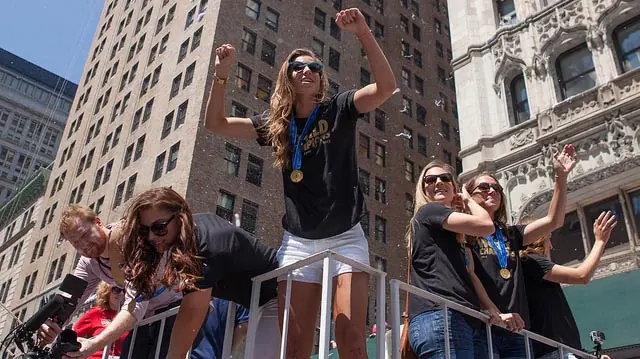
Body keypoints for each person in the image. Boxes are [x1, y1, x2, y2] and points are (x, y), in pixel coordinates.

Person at [205, 7, 396, 359]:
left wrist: (364, 33)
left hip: (346, 237)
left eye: (314, 67)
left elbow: (387, 87)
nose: (307, 71)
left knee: (352, 338)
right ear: (288, 77)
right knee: (294, 348)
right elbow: (216, 124)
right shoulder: (274, 125)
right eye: (298, 67)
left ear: (322, 78)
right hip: (297, 244)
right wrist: (221, 75)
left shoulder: (339, 108)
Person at [116, 187, 280, 359]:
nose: (151, 236)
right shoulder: (187, 236)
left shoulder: (204, 244)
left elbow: (193, 308)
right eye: (145, 230)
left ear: (180, 216)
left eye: (159, 227)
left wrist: (174, 356)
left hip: (278, 292)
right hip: (257, 300)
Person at [464, 144, 578, 359]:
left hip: (517, 330)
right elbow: (467, 276)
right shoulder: (464, 232)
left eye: (496, 188)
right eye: (484, 187)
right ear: (469, 195)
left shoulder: (511, 234)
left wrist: (561, 177)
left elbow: (554, 220)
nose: (491, 191)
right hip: (483, 326)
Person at [407, 160, 524, 359]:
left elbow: (471, 276)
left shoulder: (452, 233)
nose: (438, 182)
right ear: (423, 188)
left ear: (452, 186)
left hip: (462, 318)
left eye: (445, 178)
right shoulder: (429, 211)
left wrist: (493, 311)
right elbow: (487, 226)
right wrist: (468, 200)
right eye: (430, 180)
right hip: (441, 316)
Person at [40, 205, 182, 359]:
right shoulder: (88, 262)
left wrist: (95, 344)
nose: (84, 245)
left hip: (175, 307)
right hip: (144, 319)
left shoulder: (128, 241)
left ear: (98, 222)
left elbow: (135, 304)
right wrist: (51, 324)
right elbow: (69, 300)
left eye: (85, 235)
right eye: (76, 243)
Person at [520, 211, 617, 359]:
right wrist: (600, 242)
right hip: (554, 352)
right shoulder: (530, 261)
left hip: (562, 351)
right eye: (548, 238)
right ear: (538, 238)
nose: (550, 246)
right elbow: (581, 276)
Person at [72, 282, 128, 359]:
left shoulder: (131, 318)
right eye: (117, 289)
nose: (122, 293)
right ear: (107, 292)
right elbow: (73, 337)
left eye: (125, 290)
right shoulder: (95, 313)